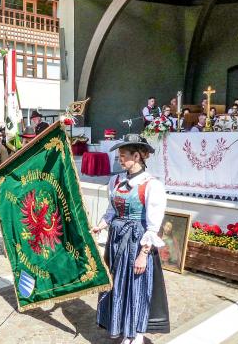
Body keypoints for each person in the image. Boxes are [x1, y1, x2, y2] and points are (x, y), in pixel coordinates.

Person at [93, 135, 169, 343]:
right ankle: (120, 326)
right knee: (117, 286)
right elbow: (111, 211)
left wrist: (143, 255)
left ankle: (136, 335)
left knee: (136, 288)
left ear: (137, 156)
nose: (119, 160)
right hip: (116, 242)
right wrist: (100, 226)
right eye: (119, 156)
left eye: (123, 156)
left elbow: (154, 225)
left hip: (137, 242)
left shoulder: (152, 185)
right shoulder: (115, 181)